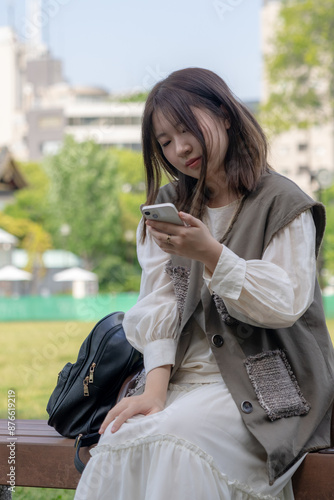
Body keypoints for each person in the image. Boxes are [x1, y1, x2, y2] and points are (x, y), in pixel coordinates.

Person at [75, 68, 334, 500]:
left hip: (264, 389)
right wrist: (154, 393)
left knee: (179, 444)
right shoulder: (167, 207)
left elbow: (285, 302)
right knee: (119, 443)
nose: (180, 149)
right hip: (178, 383)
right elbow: (158, 302)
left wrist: (210, 253)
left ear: (225, 113)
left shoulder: (284, 203)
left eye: (186, 128)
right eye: (164, 142)